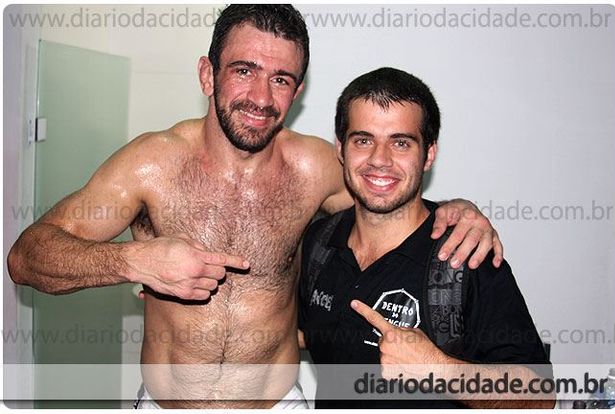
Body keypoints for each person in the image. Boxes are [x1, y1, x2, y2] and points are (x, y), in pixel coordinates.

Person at [8, 5, 502, 409]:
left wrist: (458, 209)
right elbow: (27, 257)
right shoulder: (150, 165)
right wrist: (134, 261)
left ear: (298, 91)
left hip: (277, 403)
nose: (261, 98)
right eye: (244, 71)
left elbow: (387, 193)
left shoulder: (313, 169)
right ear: (208, 75)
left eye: (281, 79)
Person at [298, 67, 554, 409]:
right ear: (341, 149)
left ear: (428, 154)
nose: (379, 160)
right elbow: (300, 333)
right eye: (363, 140)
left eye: (401, 143)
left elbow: (539, 395)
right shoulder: (319, 243)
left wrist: (439, 369)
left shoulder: (465, 254)